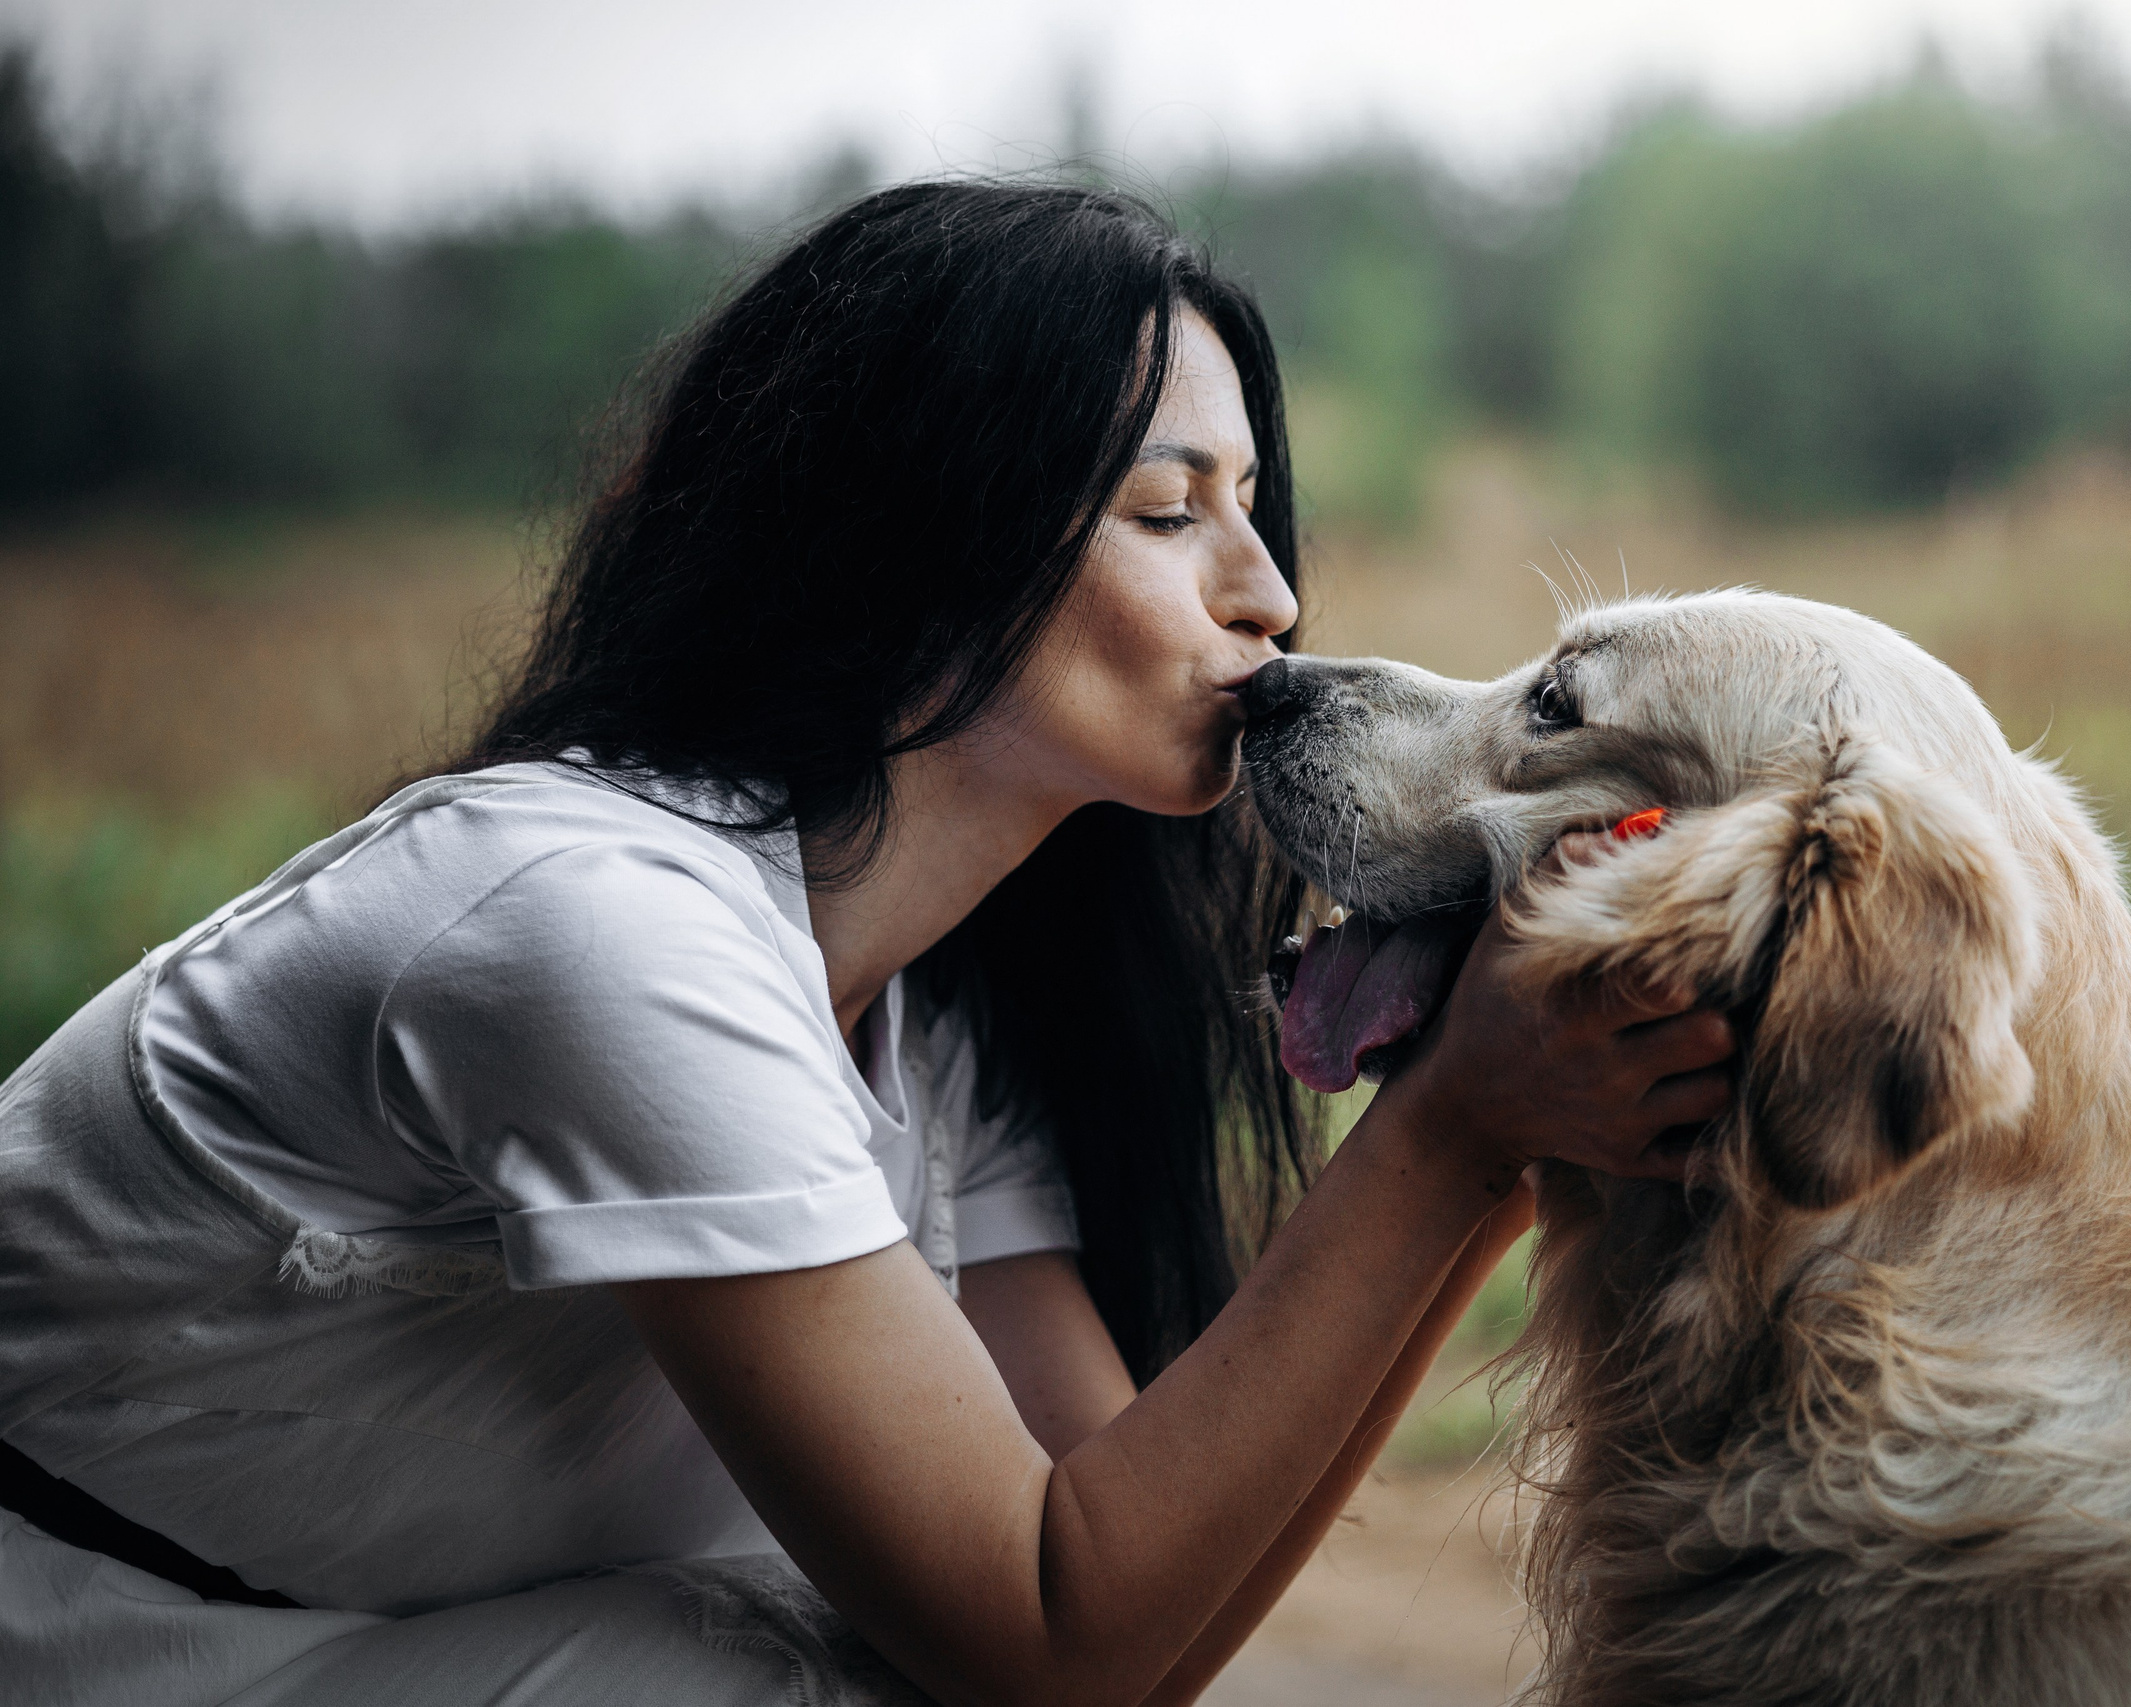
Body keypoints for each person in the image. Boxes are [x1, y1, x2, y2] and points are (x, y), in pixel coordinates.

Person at [0, 181, 1735, 1707]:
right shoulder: (598, 934)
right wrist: (1453, 1132)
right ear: (925, 538)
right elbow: (1051, 1629)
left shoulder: (928, 1009)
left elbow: (1134, 1607)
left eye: (1256, 507)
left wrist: (1513, 1119)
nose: (1269, 595)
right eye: (1167, 509)